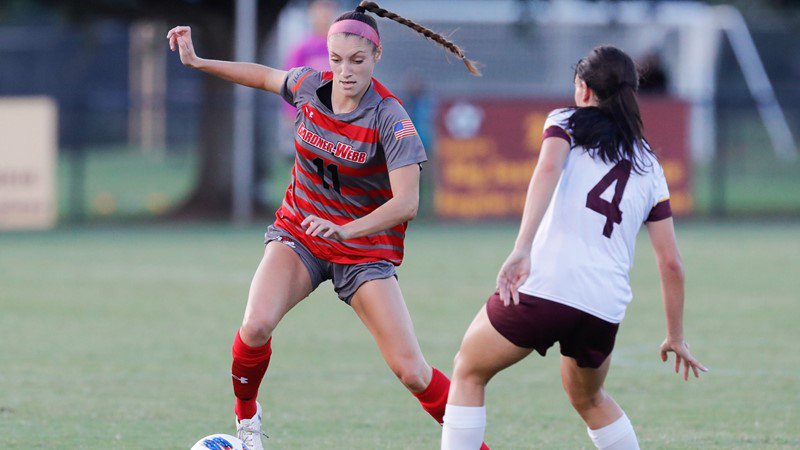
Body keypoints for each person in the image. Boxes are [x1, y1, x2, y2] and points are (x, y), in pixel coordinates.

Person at [167, 2, 484, 449]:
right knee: (255, 326)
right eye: (337, 60)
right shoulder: (310, 86)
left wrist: (348, 230)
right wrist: (198, 61)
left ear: (376, 55)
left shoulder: (390, 119)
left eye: (357, 61)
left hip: (363, 251)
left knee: (412, 371)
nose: (346, 72)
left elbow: (407, 203)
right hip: (300, 233)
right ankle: (247, 423)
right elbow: (262, 75)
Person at [440, 45, 707, 450]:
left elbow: (547, 168)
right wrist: (676, 335)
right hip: (603, 307)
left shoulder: (566, 120)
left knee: (468, 371)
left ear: (583, 90)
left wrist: (521, 248)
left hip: (547, 287)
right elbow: (671, 263)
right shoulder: (650, 163)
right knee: (590, 398)